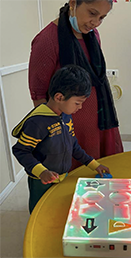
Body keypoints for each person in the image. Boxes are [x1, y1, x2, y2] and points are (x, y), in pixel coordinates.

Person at [29, 0, 123, 170]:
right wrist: (54, 136)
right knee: (71, 178)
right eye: (92, 13)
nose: (96, 23)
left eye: (102, 17)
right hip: (68, 124)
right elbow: (39, 95)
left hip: (98, 117)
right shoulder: (47, 40)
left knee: (97, 175)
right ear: (73, 3)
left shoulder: (93, 35)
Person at [12, 65, 110, 214]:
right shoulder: (37, 122)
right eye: (77, 103)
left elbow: (73, 145)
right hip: (41, 181)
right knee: (40, 213)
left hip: (62, 176)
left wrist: (93, 165)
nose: (80, 107)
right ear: (59, 97)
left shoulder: (65, 115)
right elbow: (21, 151)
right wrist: (42, 172)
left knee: (56, 211)